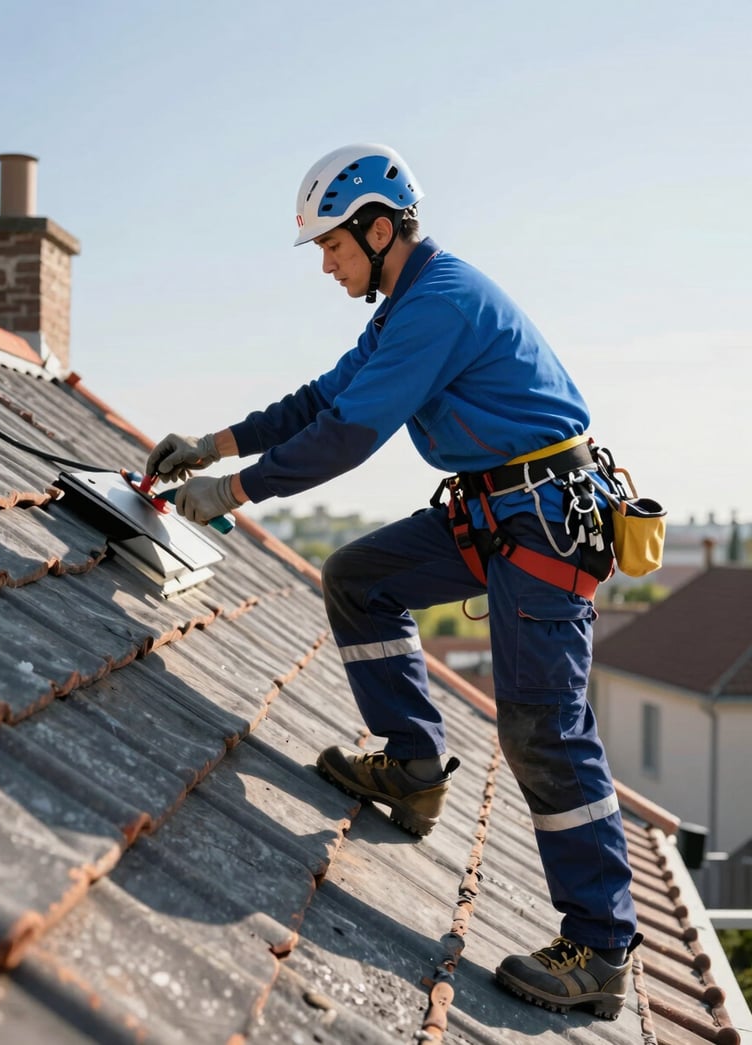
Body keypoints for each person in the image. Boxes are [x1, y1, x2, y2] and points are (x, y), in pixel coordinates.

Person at [146, 143, 642, 1020]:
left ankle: (600, 947)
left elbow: (347, 433)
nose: (328, 265)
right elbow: (323, 397)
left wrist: (230, 492)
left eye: (333, 247)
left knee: (541, 726)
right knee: (359, 575)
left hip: (543, 521)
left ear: (378, 229)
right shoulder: (405, 305)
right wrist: (215, 443)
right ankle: (412, 767)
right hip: (498, 510)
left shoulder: (439, 304)